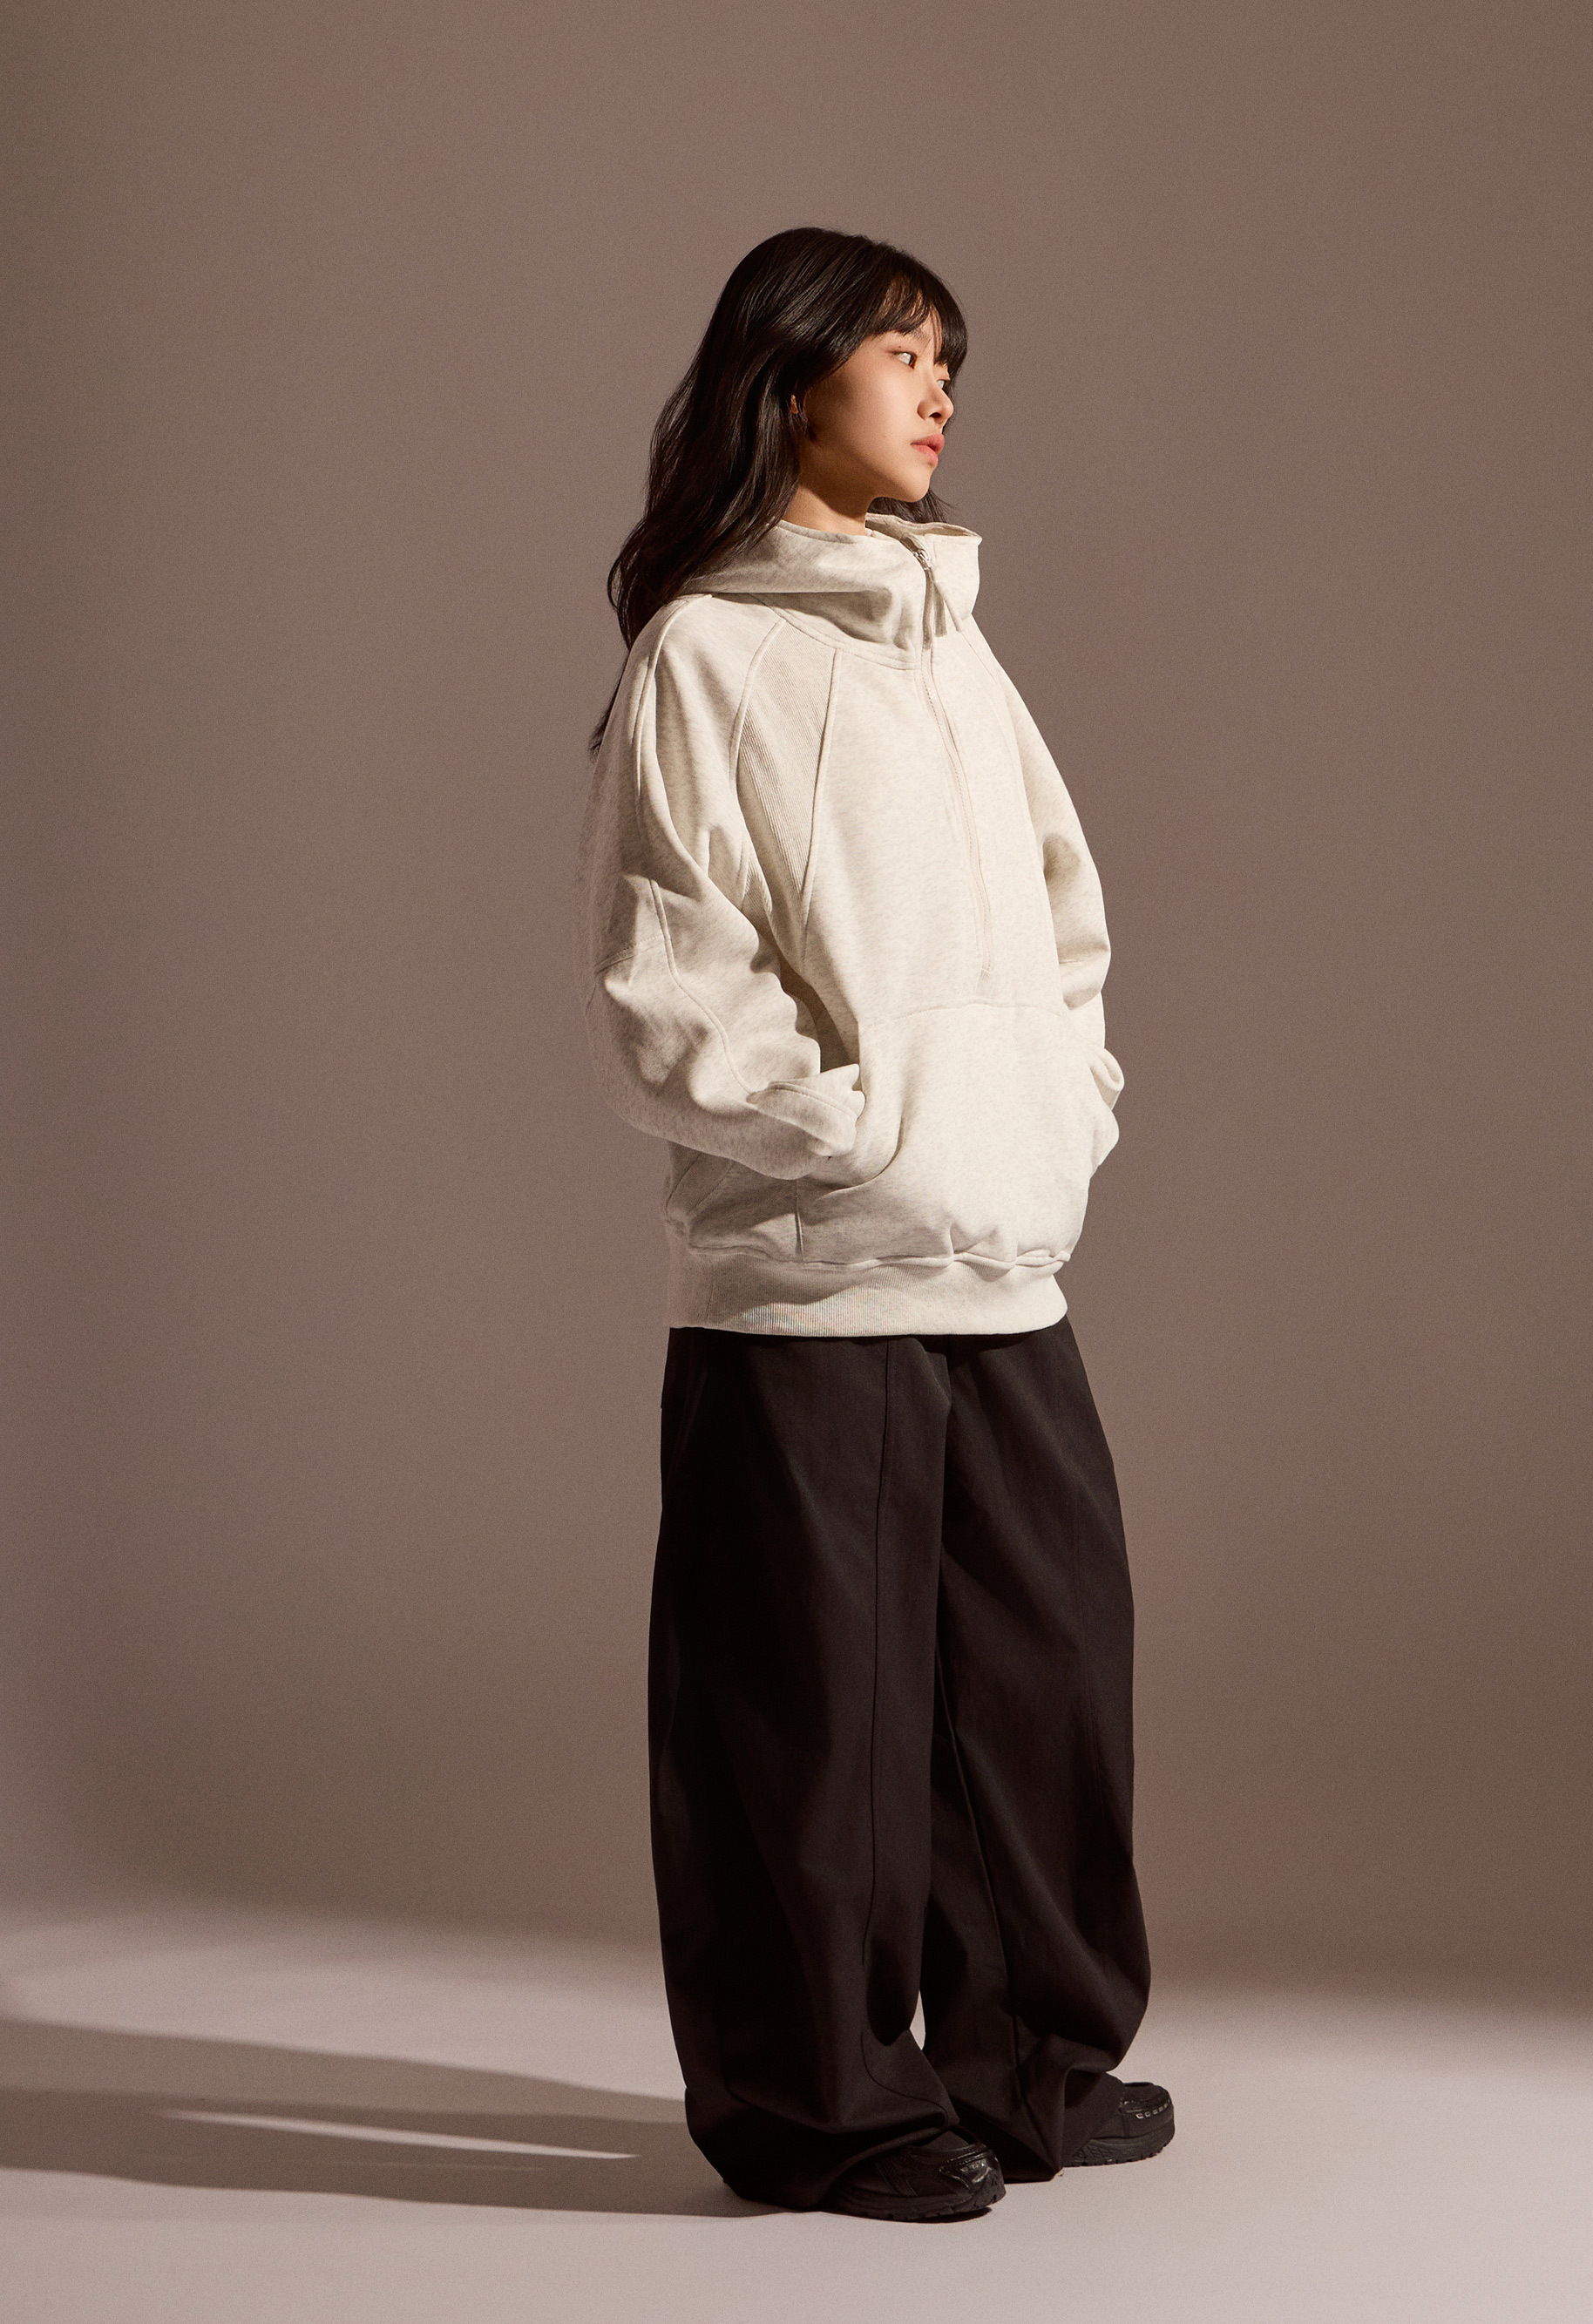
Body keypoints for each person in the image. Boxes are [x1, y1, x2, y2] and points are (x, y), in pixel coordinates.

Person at [573, 227, 1169, 2223]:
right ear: (791, 372)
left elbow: (1065, 916)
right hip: (805, 1275)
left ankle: (1028, 2057)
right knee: (809, 1718)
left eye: (947, 359)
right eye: (902, 351)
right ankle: (818, 2101)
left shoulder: (951, 644)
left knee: (1040, 1684)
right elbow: (667, 979)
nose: (939, 390)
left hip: (1001, 1254)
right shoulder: (704, 652)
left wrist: (1055, 1107)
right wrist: (860, 1136)